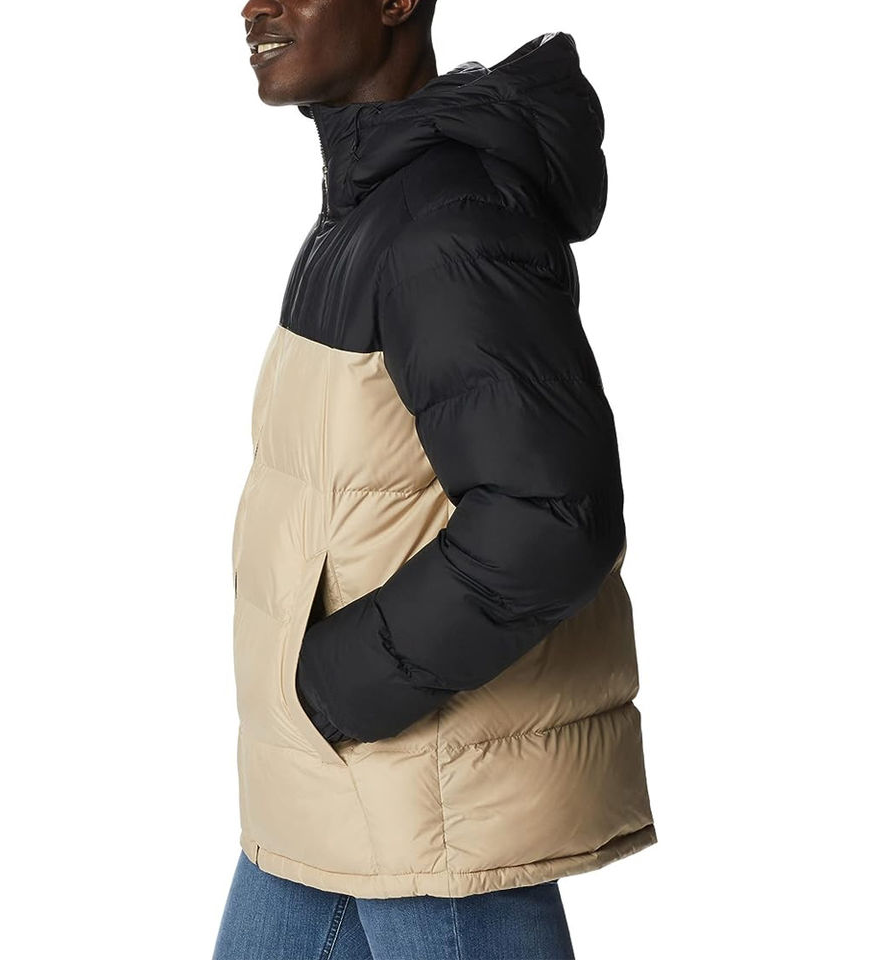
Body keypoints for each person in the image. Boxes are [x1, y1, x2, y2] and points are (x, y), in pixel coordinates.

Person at [215, 1, 657, 956]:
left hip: (434, 808)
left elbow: (550, 518)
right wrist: (313, 713)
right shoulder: (372, 210)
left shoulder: (444, 222)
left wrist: (336, 689)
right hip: (334, 788)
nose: (254, 6)